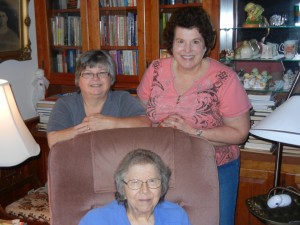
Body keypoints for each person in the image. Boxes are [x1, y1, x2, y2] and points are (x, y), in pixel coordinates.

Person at [137, 7, 252, 225]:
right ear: (171, 43)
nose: (187, 49)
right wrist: (158, 126)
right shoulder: (155, 70)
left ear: (206, 44)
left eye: (195, 42)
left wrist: (192, 131)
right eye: (180, 41)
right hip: (162, 168)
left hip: (215, 170)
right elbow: (141, 113)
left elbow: (239, 133)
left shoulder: (224, 79)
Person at [47, 50, 151, 148]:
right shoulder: (65, 104)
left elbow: (145, 124)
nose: (95, 78)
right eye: (88, 73)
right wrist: (88, 127)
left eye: (102, 73)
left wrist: (110, 123)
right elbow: (53, 140)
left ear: (111, 79)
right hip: (79, 162)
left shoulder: (122, 98)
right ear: (78, 80)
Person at [79, 149, 192, 225]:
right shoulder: (96, 220)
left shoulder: (176, 216)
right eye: (135, 182)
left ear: (162, 185)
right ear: (122, 188)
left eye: (152, 181)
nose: (144, 190)